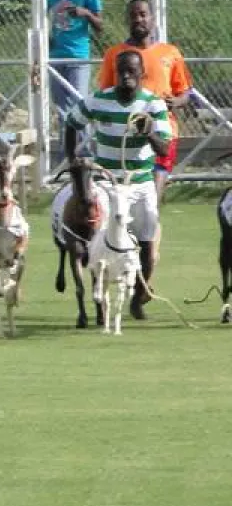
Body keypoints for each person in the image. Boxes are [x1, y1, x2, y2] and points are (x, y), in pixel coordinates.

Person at [66, 49, 172, 320]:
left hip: (140, 182)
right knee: (99, 235)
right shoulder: (99, 100)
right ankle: (100, 299)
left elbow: (163, 150)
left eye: (131, 71)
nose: (126, 76)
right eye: (121, 71)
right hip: (106, 181)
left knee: (147, 243)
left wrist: (148, 132)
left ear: (142, 73)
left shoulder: (153, 104)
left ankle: (138, 296)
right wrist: (72, 158)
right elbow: (72, 122)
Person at [96, 0, 193, 203]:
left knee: (154, 191)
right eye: (133, 15)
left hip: (163, 130)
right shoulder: (114, 54)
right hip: (126, 132)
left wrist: (175, 102)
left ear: (152, 18)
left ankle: (151, 215)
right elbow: (105, 93)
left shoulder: (170, 53)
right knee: (125, 194)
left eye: (143, 14)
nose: (138, 19)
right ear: (127, 20)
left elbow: (185, 93)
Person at [47, 0, 103, 147]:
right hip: (55, 57)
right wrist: (47, 37)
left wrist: (85, 13)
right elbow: (41, 18)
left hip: (78, 56)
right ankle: (67, 151)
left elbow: (100, 25)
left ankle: (84, 150)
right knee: (61, 108)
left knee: (79, 104)